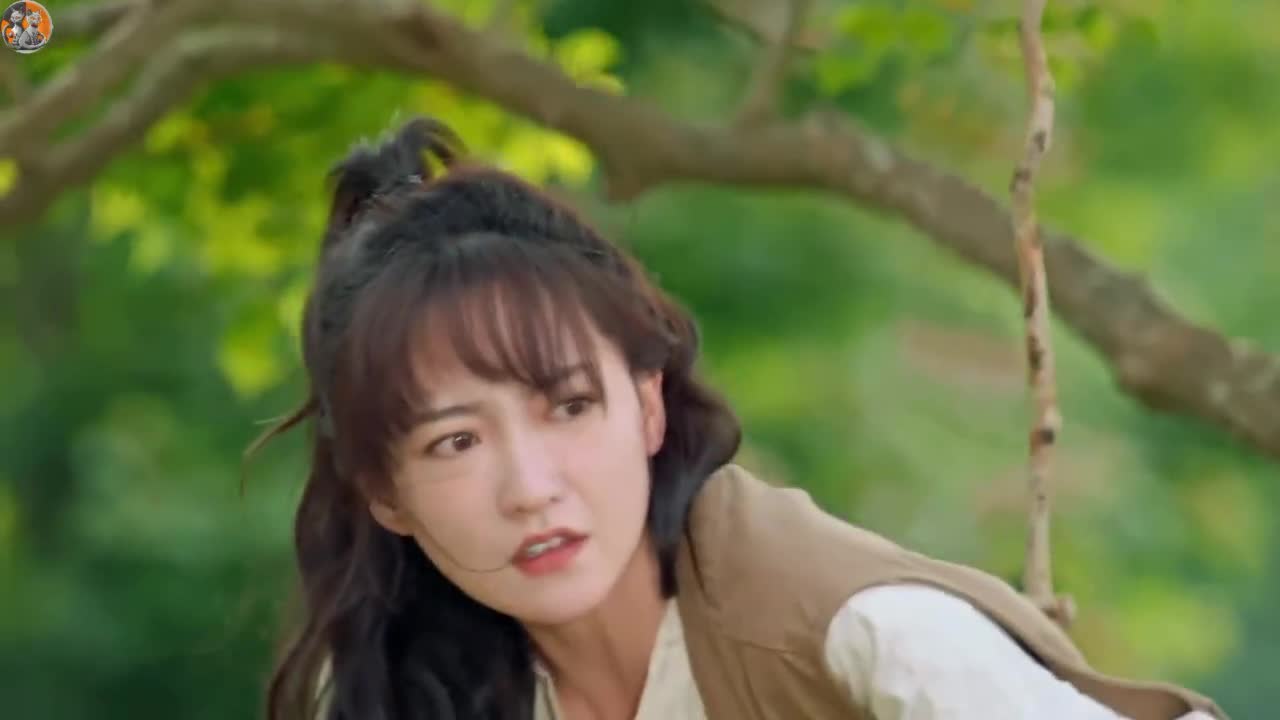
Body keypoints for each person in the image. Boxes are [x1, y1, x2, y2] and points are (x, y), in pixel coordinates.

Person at [256, 117, 1227, 720]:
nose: (530, 488)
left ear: (646, 405)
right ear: (385, 493)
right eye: (457, 441)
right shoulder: (419, 684)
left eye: (569, 406)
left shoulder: (841, 624)